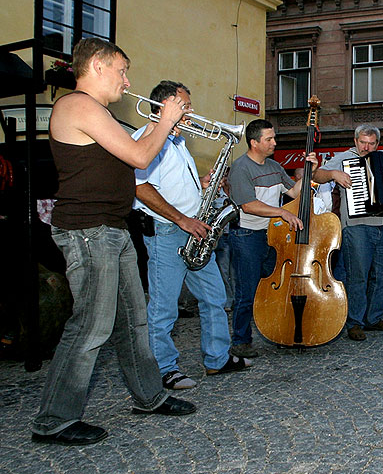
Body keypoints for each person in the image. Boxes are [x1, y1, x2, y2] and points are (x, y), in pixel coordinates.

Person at [32, 38, 195, 446]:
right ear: (98, 67)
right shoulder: (77, 105)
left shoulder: (98, 111)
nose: (127, 80)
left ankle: (149, 396)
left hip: (112, 229)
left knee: (133, 323)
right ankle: (54, 419)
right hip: (88, 231)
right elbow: (141, 157)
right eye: (122, 70)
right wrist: (166, 120)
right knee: (90, 326)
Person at [132, 80, 250, 390]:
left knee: (214, 298)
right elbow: (140, 187)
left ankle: (217, 359)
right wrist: (184, 220)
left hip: (193, 232)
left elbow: (170, 185)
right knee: (163, 307)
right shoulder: (149, 137)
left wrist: (202, 183)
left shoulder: (178, 142)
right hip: (168, 232)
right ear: (165, 106)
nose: (191, 112)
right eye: (185, 106)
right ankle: (163, 370)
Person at [313, 124, 383, 341]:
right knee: (358, 276)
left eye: (371, 143)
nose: (367, 147)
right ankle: (354, 322)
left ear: (377, 143)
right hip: (355, 226)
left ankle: (373, 318)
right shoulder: (343, 158)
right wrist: (333, 173)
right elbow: (317, 175)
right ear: (355, 141)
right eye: (363, 142)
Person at [227, 119, 310, 357]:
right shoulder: (241, 168)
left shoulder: (274, 166)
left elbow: (294, 192)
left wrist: (309, 169)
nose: (274, 142)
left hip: (273, 236)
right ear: (254, 143)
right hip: (247, 235)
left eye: (274, 138)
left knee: (275, 289)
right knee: (248, 290)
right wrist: (282, 212)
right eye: (269, 139)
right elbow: (249, 205)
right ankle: (241, 340)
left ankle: (278, 333)